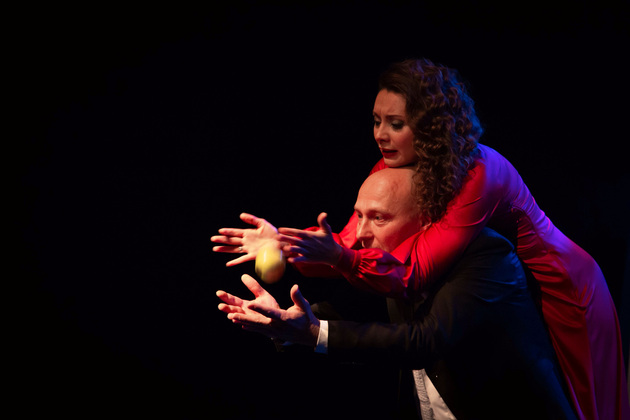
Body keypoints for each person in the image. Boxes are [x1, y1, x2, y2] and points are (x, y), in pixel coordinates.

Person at [212, 59, 629, 419]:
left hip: (560, 284)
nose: (381, 134)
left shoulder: (479, 172)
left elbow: (409, 274)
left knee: (579, 403)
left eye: (396, 124)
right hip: (494, 287)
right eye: (376, 121)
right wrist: (284, 245)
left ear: (431, 128)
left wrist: (337, 261)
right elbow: (353, 242)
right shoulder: (391, 168)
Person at [217, 167, 578, 419]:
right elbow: (356, 312)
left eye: (379, 218)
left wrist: (314, 333)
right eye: (359, 216)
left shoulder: (485, 256)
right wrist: (289, 321)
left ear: (426, 221)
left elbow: (425, 340)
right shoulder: (389, 264)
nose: (361, 233)